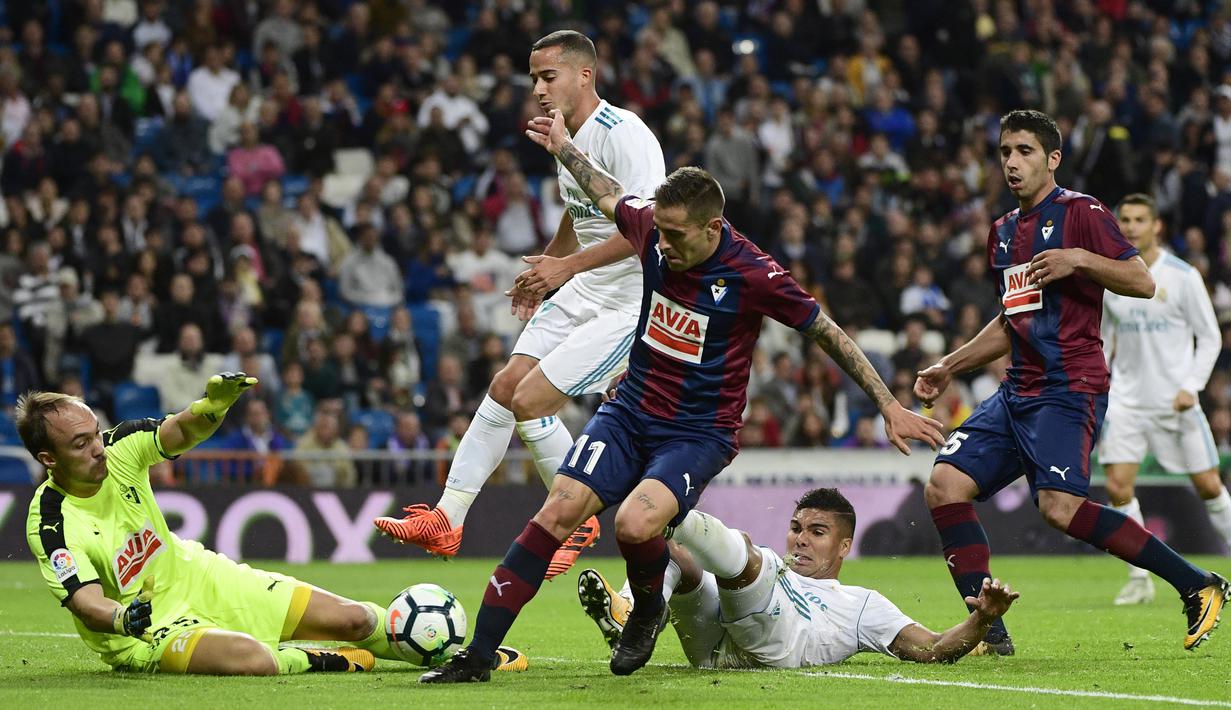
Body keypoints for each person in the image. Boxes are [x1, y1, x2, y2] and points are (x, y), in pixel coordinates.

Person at [418, 109, 944, 684]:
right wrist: (565, 147)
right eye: (657, 231)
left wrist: (888, 404)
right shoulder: (649, 227)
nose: (660, 244)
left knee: (636, 526)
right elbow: (608, 192)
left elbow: (827, 333)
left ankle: (647, 608)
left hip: (697, 434)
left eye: (675, 235)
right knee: (557, 511)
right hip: (630, 410)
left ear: (713, 228)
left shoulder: (754, 275)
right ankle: (476, 659)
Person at [913, 110, 1228, 655]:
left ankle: (1196, 582)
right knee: (944, 485)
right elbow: (1013, 320)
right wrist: (950, 365)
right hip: (1018, 390)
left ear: (1053, 158)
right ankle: (987, 631)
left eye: (1025, 151)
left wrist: (1080, 259)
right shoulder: (1003, 232)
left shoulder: (1082, 213)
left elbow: (1142, 280)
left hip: (1069, 386)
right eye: (1006, 151)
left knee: (1058, 509)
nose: (1012, 161)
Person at [375, 30, 667, 578]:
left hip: (631, 302)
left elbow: (646, 231)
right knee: (506, 386)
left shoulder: (625, 133)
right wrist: (546, 267)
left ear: (584, 74)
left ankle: (575, 515)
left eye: (547, 76)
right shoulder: (563, 134)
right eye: (533, 77)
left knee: (532, 400)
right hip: (584, 286)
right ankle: (448, 517)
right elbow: (579, 210)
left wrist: (566, 268)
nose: (536, 87)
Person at [20, 373, 525, 675]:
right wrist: (119, 620)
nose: (96, 448)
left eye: (93, 432)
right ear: (48, 458)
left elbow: (180, 429)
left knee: (357, 620)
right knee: (256, 660)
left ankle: (460, 654)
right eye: (79, 444)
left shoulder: (120, 447)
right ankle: (322, 660)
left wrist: (211, 407)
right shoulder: (50, 522)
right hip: (145, 630)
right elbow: (85, 601)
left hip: (200, 576)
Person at [577, 489, 1018, 668]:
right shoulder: (780, 568)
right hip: (712, 648)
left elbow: (933, 648)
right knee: (676, 556)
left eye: (817, 532)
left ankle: (675, 512)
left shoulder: (862, 603)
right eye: (797, 528)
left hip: (776, 645)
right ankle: (630, 611)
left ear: (845, 547)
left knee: (752, 558)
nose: (801, 540)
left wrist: (982, 620)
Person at [1100, 193, 1231, 605]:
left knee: (1209, 486)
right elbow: (1102, 339)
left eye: (1141, 219)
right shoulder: (1113, 277)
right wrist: (1099, 383)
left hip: (1176, 402)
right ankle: (1139, 578)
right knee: (1119, 486)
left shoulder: (1182, 275)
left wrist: (1191, 385)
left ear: (1157, 225)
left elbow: (1210, 337)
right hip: (1127, 400)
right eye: (1125, 219)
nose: (1132, 226)